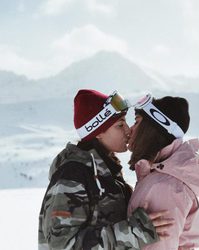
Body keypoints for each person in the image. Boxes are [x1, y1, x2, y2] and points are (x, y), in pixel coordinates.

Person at [38, 89, 171, 250]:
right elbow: (63, 245)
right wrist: (133, 233)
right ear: (98, 131)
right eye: (120, 125)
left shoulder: (106, 171)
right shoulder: (73, 175)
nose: (128, 130)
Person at [127, 94, 199, 250]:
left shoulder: (163, 187)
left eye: (136, 122)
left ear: (152, 129)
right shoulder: (161, 177)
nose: (130, 129)